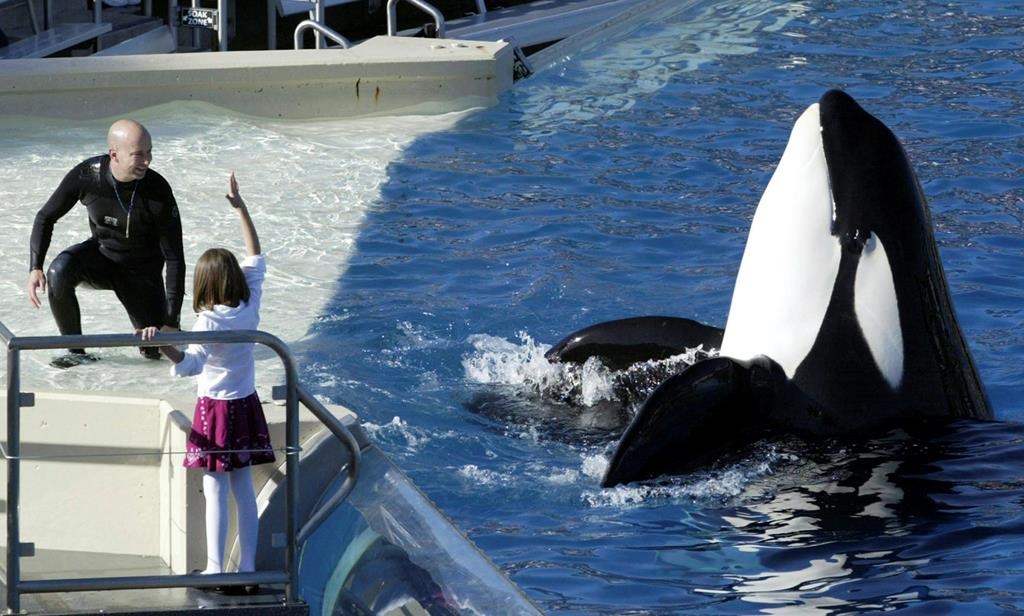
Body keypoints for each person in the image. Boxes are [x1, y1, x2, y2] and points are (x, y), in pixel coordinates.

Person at [139, 173, 274, 594]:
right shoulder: (249, 303)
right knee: (243, 489)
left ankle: (216, 570)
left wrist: (162, 345)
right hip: (246, 403)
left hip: (215, 410)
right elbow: (256, 254)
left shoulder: (208, 321)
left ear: (204, 284)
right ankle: (246, 570)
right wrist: (239, 206)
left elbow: (191, 364)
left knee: (215, 488)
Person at [28, 119, 185, 367]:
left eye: (149, 152)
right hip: (102, 258)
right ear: (114, 155)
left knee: (156, 354)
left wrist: (171, 321)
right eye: (138, 154)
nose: (147, 161)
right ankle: (76, 354)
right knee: (59, 272)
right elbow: (45, 217)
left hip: (142, 273)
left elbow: (175, 258)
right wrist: (35, 266)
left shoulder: (157, 191)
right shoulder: (88, 176)